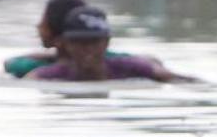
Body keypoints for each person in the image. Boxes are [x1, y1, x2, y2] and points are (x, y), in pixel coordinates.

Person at [24, 6, 197, 83]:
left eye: (94, 42)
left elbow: (177, 79)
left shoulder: (131, 68)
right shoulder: (47, 76)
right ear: (67, 44)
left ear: (106, 43)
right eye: (80, 43)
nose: (88, 50)